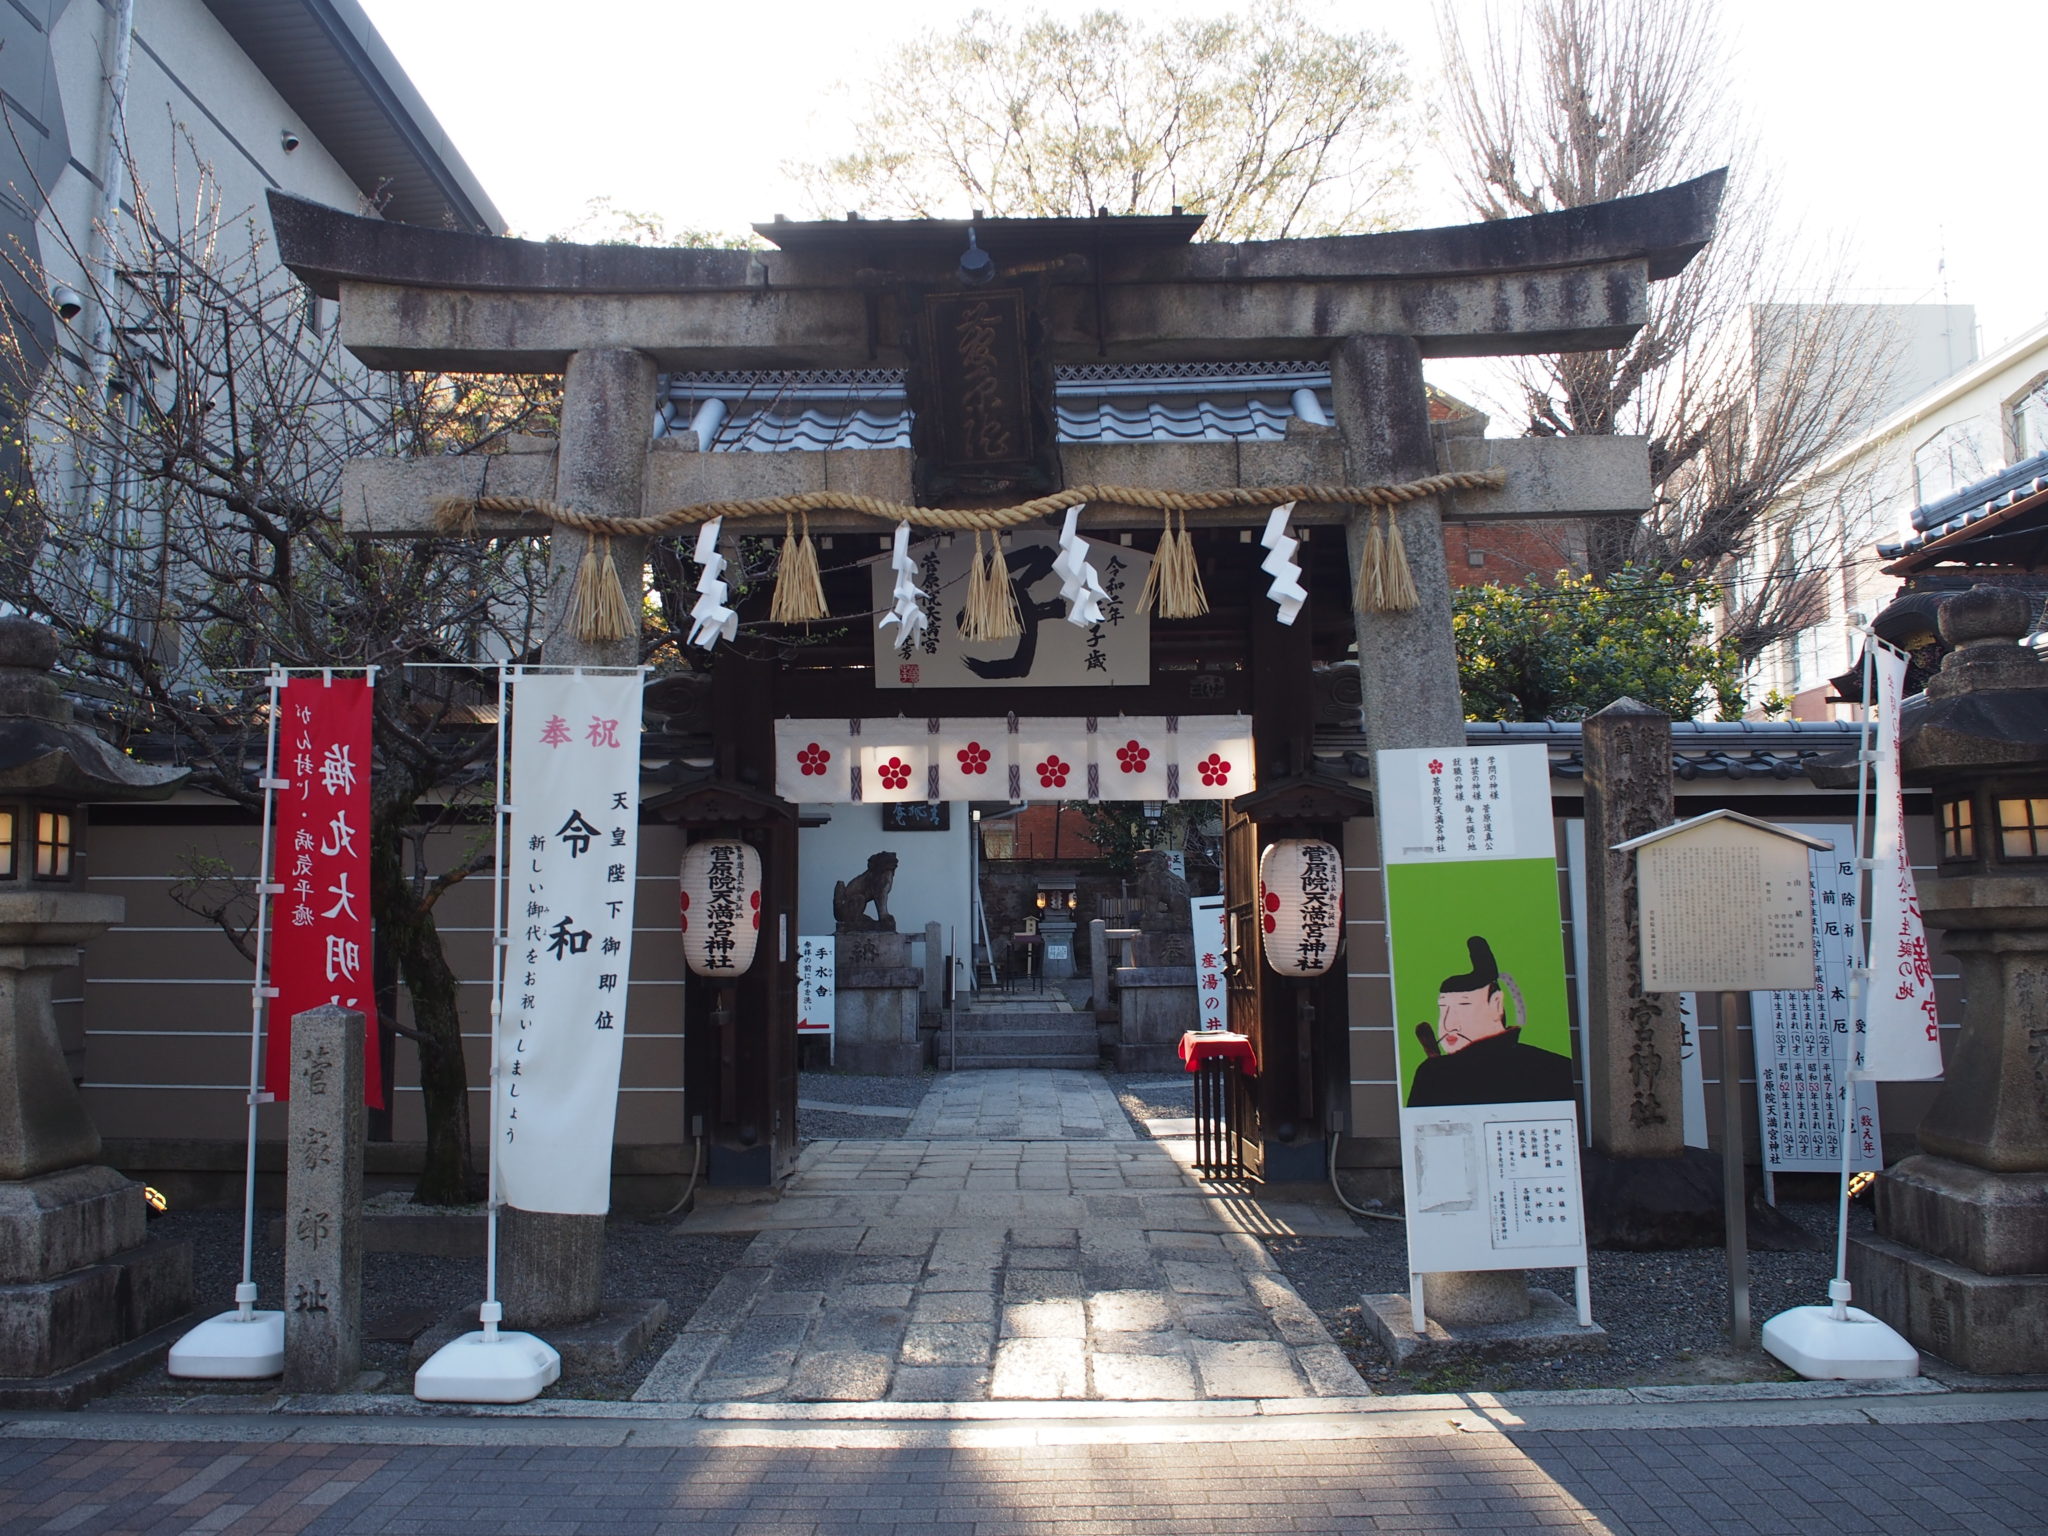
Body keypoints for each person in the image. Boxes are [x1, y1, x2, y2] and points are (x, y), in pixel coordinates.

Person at [1406, 935, 1574, 1107]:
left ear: (1496, 1004)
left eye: (1463, 1005)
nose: (1449, 1024)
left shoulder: (1553, 1070)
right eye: (1443, 1009)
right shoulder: (1435, 1073)